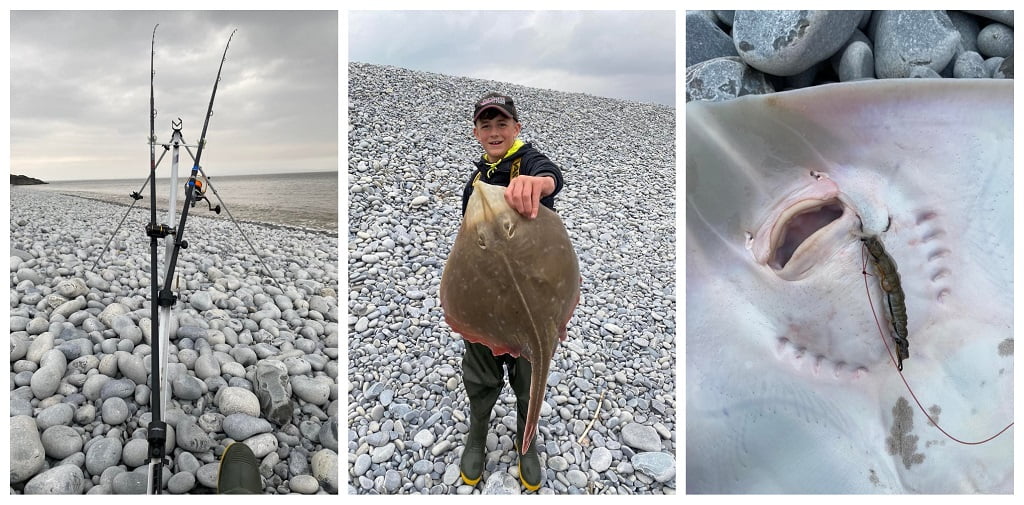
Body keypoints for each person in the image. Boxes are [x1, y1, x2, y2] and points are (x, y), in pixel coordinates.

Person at [457, 92, 565, 491]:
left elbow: (551, 175)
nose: (494, 131)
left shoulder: (527, 162)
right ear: (476, 133)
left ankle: (527, 441)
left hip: (533, 296)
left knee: (528, 374)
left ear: (516, 128)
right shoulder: (476, 178)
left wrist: (537, 184)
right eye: (486, 125)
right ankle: (477, 433)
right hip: (486, 297)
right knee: (481, 373)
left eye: (502, 124)